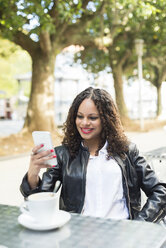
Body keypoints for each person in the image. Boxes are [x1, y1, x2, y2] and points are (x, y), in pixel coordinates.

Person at [20, 87, 166, 222]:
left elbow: (160, 192)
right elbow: (39, 200)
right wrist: (33, 172)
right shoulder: (62, 155)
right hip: (77, 235)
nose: (84, 123)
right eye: (80, 116)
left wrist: (139, 225)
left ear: (106, 120)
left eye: (92, 117)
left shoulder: (127, 152)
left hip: (122, 235)